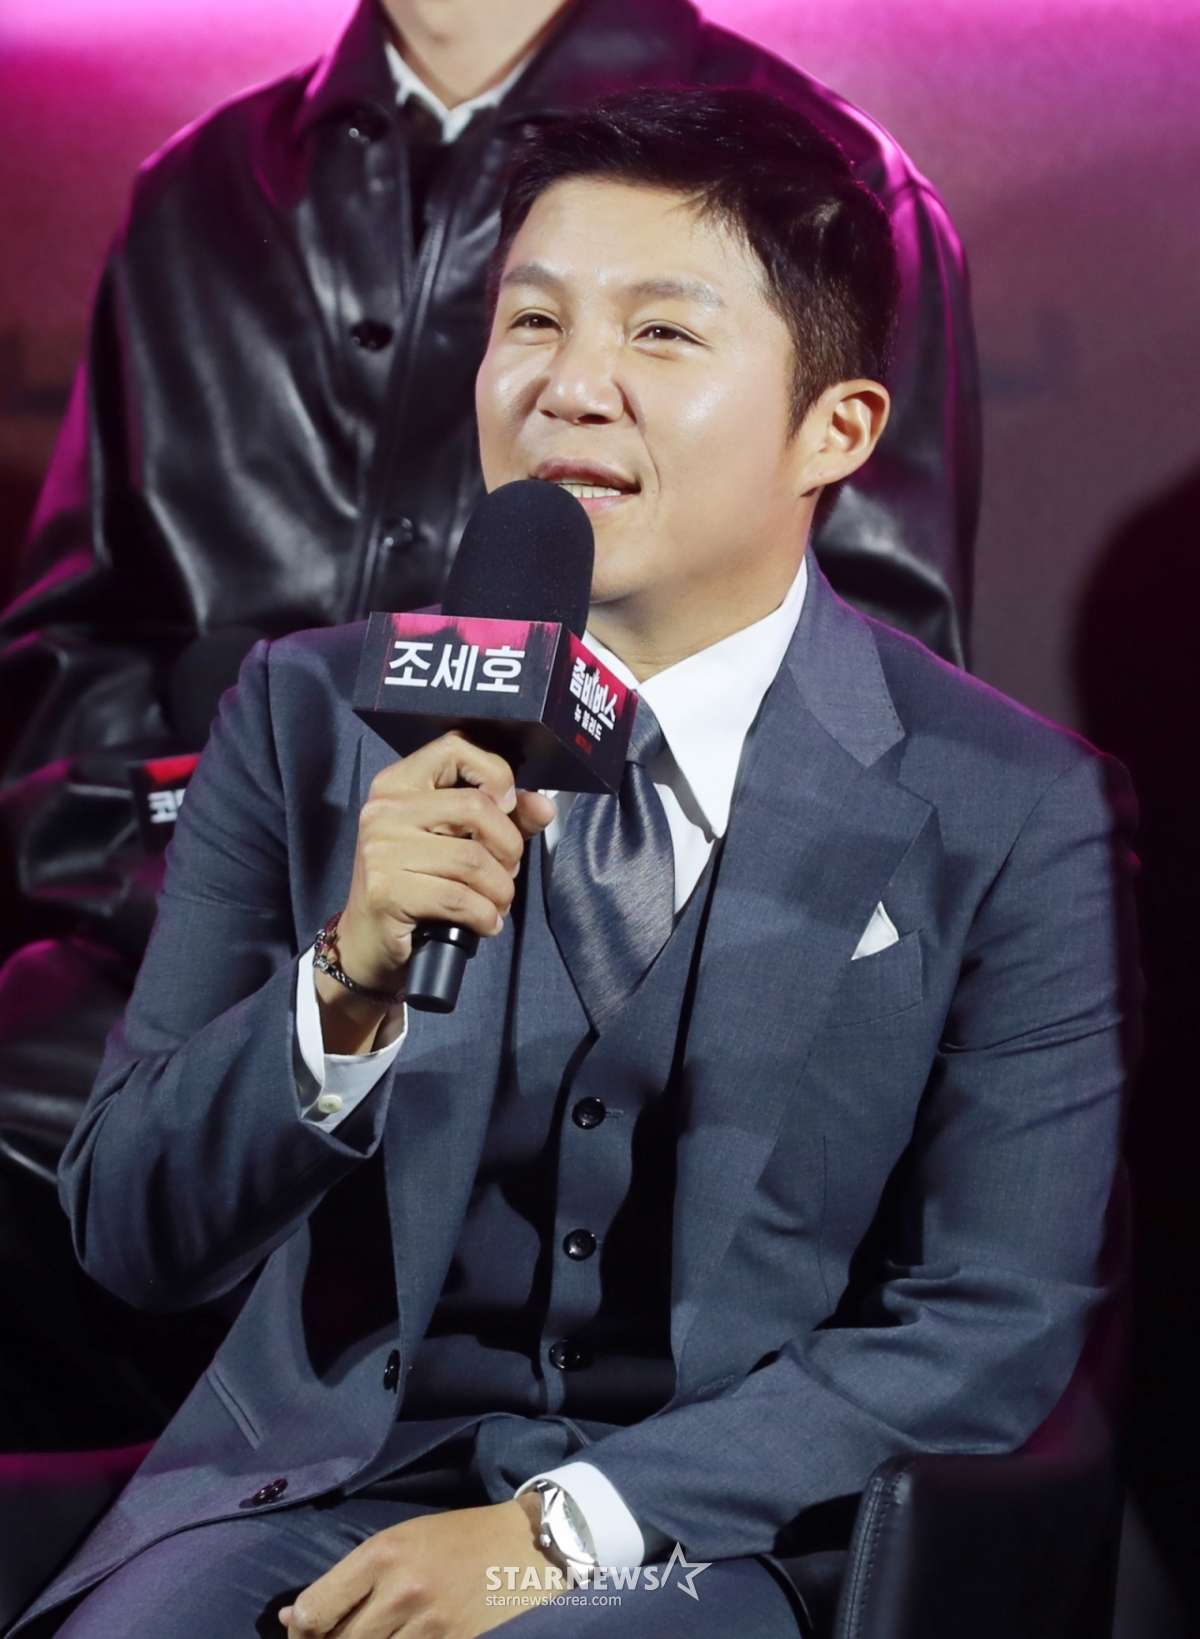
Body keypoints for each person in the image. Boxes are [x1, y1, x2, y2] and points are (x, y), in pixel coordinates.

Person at [13, 88, 1129, 1639]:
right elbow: (134, 1232)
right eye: (531, 322)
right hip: (320, 1491)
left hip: (706, 1536)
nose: (568, 388)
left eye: (660, 334)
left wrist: (566, 1532)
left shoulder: (1013, 807)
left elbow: (995, 1318)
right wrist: (345, 989)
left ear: (838, 428)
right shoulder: (309, 714)